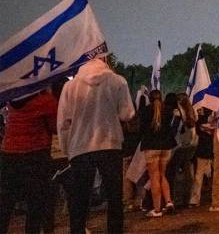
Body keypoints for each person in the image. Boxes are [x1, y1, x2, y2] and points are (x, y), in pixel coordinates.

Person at [57, 57, 135, 234]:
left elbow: (63, 123)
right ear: (104, 58)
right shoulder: (117, 80)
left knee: (79, 200)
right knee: (114, 199)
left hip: (80, 147)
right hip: (109, 143)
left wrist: (66, 149)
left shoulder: (70, 86)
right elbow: (127, 113)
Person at [0, 89, 58, 234]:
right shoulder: (46, 101)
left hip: (9, 153)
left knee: (5, 205)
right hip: (35, 154)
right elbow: (55, 127)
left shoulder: (12, 99)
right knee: (36, 205)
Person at [139, 89, 177, 218]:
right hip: (166, 147)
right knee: (162, 175)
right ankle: (168, 202)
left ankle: (157, 208)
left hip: (151, 147)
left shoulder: (145, 111)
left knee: (154, 177)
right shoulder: (168, 110)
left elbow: (141, 128)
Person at [166, 92, 198, 207]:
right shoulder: (192, 111)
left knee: (174, 173)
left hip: (179, 145)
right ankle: (187, 199)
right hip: (191, 145)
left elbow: (174, 129)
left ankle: (175, 199)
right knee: (188, 172)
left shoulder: (178, 113)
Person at [189, 108, 215, 207]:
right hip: (213, 147)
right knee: (216, 173)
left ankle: (195, 199)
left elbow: (198, 132)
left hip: (203, 148)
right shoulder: (217, 117)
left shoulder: (199, 119)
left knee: (199, 174)